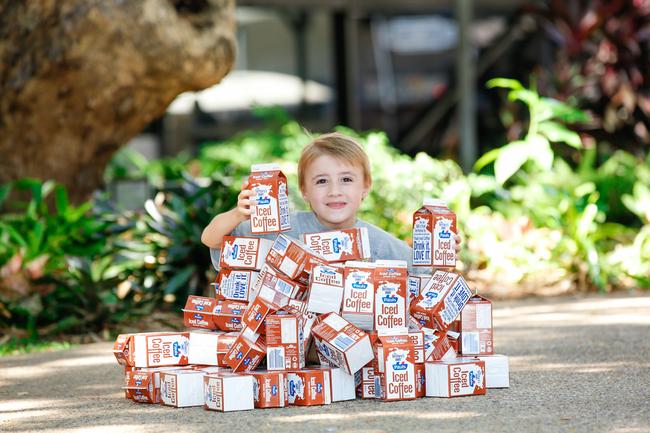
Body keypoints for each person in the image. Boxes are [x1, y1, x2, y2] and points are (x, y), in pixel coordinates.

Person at [201, 132, 461, 271]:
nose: (335, 191)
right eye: (322, 182)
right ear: (304, 191)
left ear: (365, 188)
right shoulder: (281, 230)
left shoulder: (378, 243)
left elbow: (428, 276)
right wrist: (237, 214)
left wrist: (442, 253)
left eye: (346, 180)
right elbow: (211, 239)